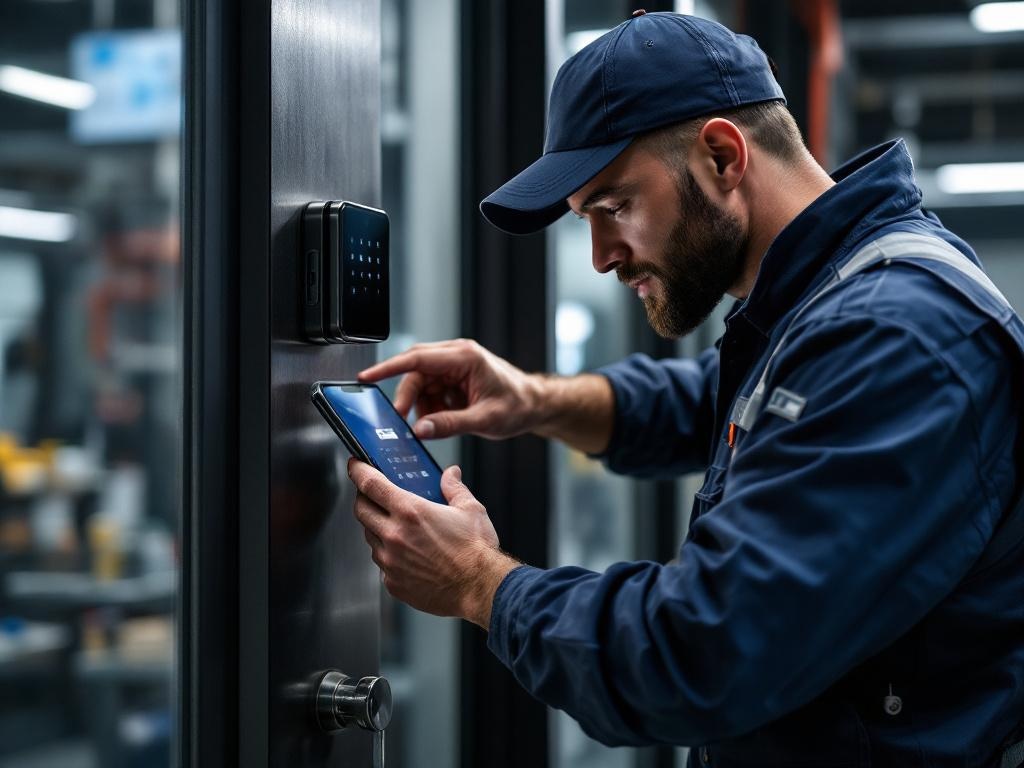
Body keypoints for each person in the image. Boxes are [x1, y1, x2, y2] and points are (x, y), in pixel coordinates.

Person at [347, 11, 1024, 766]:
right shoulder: (824, 307)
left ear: (722, 156)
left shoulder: (896, 336)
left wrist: (478, 582)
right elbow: (697, 403)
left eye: (614, 208)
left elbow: (702, 652)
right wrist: (533, 398)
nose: (602, 257)